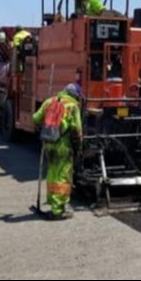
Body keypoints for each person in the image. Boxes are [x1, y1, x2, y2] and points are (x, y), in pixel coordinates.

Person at [32, 83, 83, 220]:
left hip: (48, 144)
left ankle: (52, 201)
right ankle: (58, 209)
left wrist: (44, 125)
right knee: (63, 177)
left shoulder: (49, 101)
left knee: (52, 173)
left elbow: (35, 118)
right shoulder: (73, 107)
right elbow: (77, 130)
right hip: (63, 146)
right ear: (76, 96)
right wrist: (79, 146)